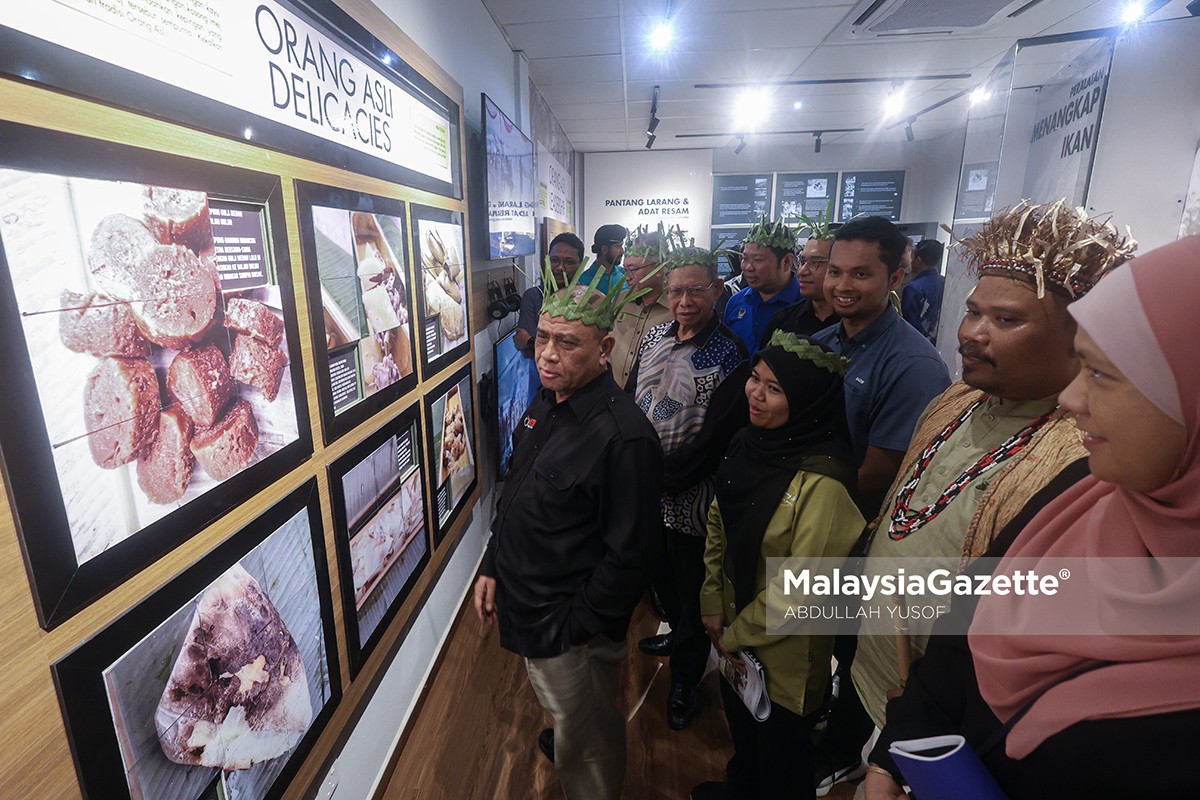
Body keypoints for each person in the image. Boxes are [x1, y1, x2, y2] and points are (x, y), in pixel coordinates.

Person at [814, 201, 1137, 795]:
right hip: (876, 670)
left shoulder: (1084, 461)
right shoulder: (956, 399)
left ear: (1079, 338)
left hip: (949, 724)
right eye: (971, 312)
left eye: (1006, 320)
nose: (970, 333)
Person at [864, 236, 1200, 800]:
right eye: (972, 310)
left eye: (1102, 374)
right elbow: (960, 637)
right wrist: (898, 756)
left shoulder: (1068, 459)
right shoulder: (1085, 494)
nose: (1072, 398)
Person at [475, 268, 663, 800]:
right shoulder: (547, 402)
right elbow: (515, 494)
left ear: (606, 348)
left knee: (591, 748)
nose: (547, 355)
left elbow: (632, 556)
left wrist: (577, 628)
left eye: (567, 343)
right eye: (543, 339)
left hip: (569, 628)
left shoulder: (626, 439)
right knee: (567, 720)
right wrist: (492, 564)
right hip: (530, 607)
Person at [692, 331, 865, 800]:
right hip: (733, 634)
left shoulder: (824, 483)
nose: (754, 392)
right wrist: (711, 600)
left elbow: (801, 589)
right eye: (754, 378)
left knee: (781, 760)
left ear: (808, 401)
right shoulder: (750, 443)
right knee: (745, 739)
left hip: (783, 655)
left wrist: (734, 635)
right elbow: (718, 521)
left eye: (774, 388)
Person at [629, 243, 747, 731]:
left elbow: (717, 437)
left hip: (690, 497)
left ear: (716, 290)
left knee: (693, 588)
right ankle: (675, 632)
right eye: (676, 290)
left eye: (695, 290)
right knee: (658, 580)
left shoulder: (731, 353)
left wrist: (664, 478)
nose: (683, 301)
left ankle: (685, 676)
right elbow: (628, 398)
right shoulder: (654, 334)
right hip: (643, 491)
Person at [812, 216, 950, 517]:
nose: (842, 286)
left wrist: (803, 504)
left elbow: (877, 477)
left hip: (852, 526)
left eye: (860, 274)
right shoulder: (820, 342)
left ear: (895, 278)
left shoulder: (915, 367)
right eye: (835, 272)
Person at [722, 217, 804, 352]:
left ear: (787, 262)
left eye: (758, 260)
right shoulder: (736, 302)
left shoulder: (805, 304)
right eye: (744, 258)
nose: (748, 267)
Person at [610, 224, 674, 390]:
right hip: (612, 398)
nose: (627, 278)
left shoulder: (677, 310)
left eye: (633, 270)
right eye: (625, 270)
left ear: (659, 268)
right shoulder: (618, 302)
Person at [760, 215, 839, 347]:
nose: (802, 271)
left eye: (815, 262)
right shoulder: (782, 322)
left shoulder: (855, 323)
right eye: (802, 261)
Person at [515, 232, 583, 355]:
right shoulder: (534, 296)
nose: (560, 267)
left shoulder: (590, 299)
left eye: (569, 262)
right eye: (555, 260)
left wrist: (536, 342)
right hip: (540, 372)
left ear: (581, 265)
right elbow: (521, 341)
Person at [901, 239, 945, 345]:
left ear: (918, 260)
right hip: (938, 341)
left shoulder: (913, 288)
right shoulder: (944, 282)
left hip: (917, 344)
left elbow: (909, 327)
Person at [579, 223, 628, 294]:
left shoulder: (623, 274)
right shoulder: (584, 282)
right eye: (618, 247)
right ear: (604, 249)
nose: (622, 251)